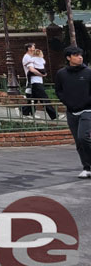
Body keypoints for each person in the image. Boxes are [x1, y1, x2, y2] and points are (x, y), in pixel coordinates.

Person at [54, 46, 91, 179]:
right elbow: (58, 91)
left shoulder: (88, 72)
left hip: (87, 110)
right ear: (69, 58)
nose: (80, 57)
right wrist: (67, 102)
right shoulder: (61, 74)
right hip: (71, 111)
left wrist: (86, 102)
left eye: (81, 55)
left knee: (83, 137)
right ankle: (87, 168)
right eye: (76, 55)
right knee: (78, 141)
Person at [21, 43, 58, 120]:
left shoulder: (32, 57)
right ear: (29, 48)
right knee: (44, 98)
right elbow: (31, 69)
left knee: (33, 99)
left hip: (37, 81)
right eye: (33, 46)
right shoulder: (27, 57)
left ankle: (24, 111)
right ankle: (54, 116)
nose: (34, 47)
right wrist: (41, 74)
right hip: (34, 81)